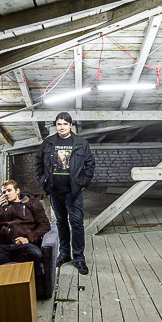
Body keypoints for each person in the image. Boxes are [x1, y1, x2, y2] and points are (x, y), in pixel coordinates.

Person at [34, 111, 95, 275]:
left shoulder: (81, 143)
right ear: (56, 125)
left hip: (73, 192)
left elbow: (90, 164)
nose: (62, 127)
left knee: (77, 224)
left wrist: (83, 183)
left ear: (70, 125)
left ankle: (79, 258)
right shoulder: (48, 143)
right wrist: (42, 180)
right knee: (61, 222)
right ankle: (64, 253)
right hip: (55, 191)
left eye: (65, 124)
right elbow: (38, 162)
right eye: (59, 124)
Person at [0, 180, 51, 277]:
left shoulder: (31, 203)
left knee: (35, 254)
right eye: (4, 192)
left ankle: (33, 285)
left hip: (25, 246)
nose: (6, 194)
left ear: (17, 191)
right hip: (4, 247)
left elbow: (45, 225)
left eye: (9, 190)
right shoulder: (0, 208)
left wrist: (28, 238)